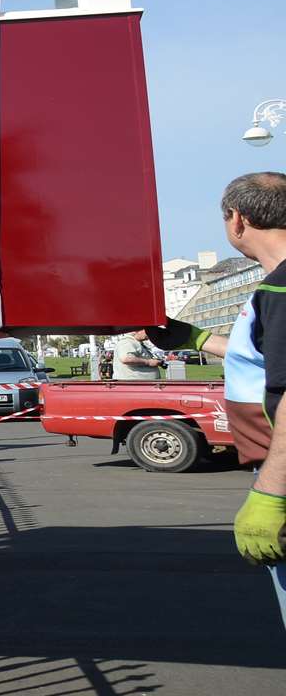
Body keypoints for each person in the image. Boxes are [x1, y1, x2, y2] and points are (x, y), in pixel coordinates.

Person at [144, 172, 286, 624]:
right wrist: (196, 337)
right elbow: (263, 357)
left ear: (237, 220)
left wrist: (271, 492)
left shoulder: (280, 291)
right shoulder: (274, 289)